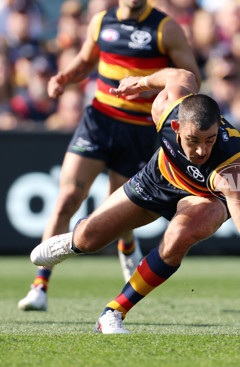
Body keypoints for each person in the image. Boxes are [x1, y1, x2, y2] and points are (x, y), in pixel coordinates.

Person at [29, 67, 240, 334]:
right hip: (158, 178)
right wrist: (140, 83)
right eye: (194, 140)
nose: (202, 150)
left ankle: (112, 312)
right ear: (176, 126)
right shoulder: (165, 108)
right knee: (89, 239)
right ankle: (72, 242)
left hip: (204, 197)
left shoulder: (232, 169)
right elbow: (182, 74)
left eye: (210, 140)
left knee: (178, 236)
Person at [18, 0, 202, 312]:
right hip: (99, 121)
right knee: (67, 197)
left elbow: (190, 79)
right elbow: (84, 61)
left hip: (138, 129)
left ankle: (126, 243)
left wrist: (149, 91)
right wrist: (64, 77)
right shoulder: (101, 21)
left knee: (117, 206)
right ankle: (40, 285)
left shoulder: (165, 28)